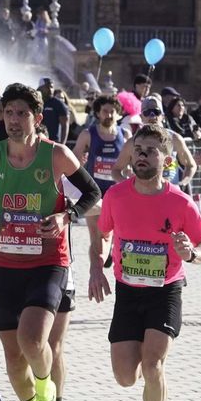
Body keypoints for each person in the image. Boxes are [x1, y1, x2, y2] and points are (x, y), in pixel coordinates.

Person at [0, 83, 100, 401]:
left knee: (34, 341)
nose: (14, 120)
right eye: (9, 113)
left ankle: (47, 395)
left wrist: (65, 216)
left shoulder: (55, 155)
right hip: (5, 263)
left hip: (48, 262)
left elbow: (92, 193)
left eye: (22, 113)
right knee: (12, 357)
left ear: (38, 119)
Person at [89, 124, 201, 401]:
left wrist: (191, 253)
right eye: (137, 149)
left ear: (167, 159)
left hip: (165, 291)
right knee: (125, 377)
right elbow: (102, 236)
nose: (141, 156)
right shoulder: (116, 196)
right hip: (128, 292)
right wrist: (96, 267)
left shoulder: (181, 202)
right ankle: (145, 370)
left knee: (154, 363)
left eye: (150, 151)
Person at [75, 95, 127, 270]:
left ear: (118, 114)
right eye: (105, 111)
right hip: (93, 192)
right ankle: (96, 273)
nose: (109, 115)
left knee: (110, 233)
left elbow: (131, 162)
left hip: (117, 193)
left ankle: (110, 249)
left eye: (112, 112)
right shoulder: (87, 134)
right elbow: (73, 161)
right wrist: (80, 163)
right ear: (97, 113)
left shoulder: (125, 135)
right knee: (96, 235)